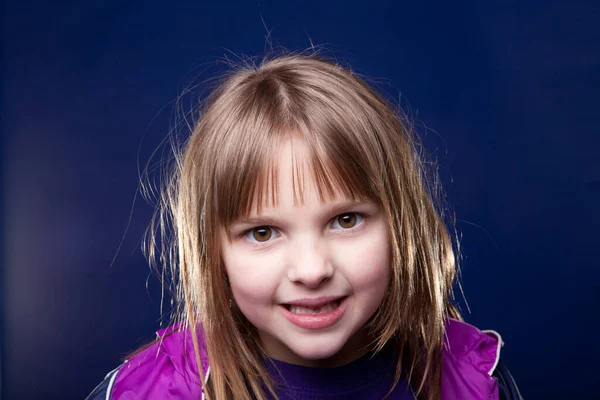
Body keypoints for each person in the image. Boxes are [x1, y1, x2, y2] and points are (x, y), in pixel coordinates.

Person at [87, 52, 522, 400]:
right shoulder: (143, 393)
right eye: (262, 232)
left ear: (400, 226)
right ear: (212, 251)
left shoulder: (475, 380)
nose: (312, 271)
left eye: (345, 220)